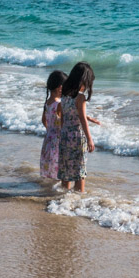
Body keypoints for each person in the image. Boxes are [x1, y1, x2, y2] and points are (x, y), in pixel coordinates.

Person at [56, 62, 96, 193]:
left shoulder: (64, 95)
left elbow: (62, 116)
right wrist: (90, 139)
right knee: (80, 170)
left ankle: (63, 196)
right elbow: (82, 120)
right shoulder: (80, 98)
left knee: (66, 169)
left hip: (65, 135)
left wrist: (62, 132)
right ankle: (78, 198)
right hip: (77, 137)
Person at [39, 70, 65, 181]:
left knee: (50, 166)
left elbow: (43, 120)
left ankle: (50, 187)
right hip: (57, 140)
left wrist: (50, 130)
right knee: (59, 167)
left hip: (48, 139)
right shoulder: (59, 104)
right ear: (60, 87)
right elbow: (64, 122)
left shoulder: (47, 103)